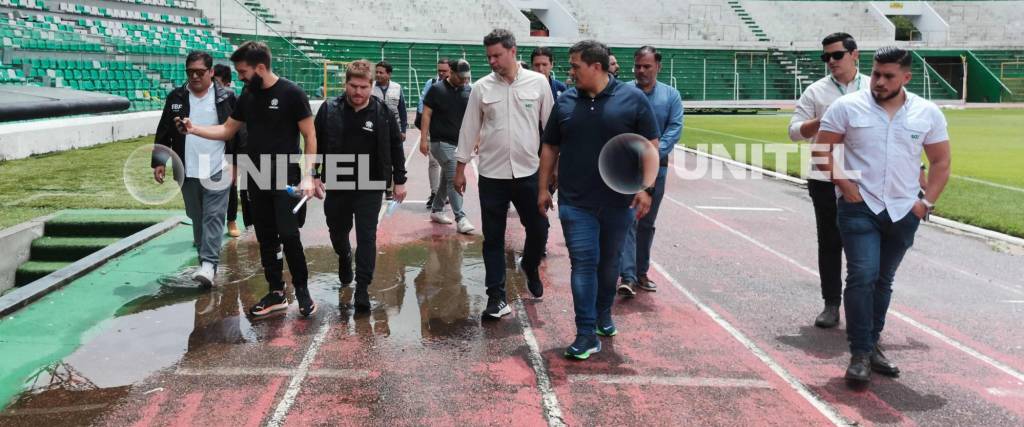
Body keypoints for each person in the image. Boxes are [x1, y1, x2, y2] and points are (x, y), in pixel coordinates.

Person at [814, 46, 951, 384]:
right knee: (862, 274)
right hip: (860, 206)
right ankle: (860, 352)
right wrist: (844, 185)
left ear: (906, 77)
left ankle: (872, 344)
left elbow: (941, 161)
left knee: (883, 280)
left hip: (904, 210)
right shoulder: (847, 107)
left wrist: (925, 204)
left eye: (889, 76)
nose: (879, 81)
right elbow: (821, 150)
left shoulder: (927, 113)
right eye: (876, 73)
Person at [177, 41, 320, 318]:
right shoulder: (248, 95)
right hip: (255, 176)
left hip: (285, 175)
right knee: (265, 236)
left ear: (261, 67)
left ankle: (302, 291)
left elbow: (310, 136)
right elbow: (227, 130)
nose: (239, 76)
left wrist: (309, 176)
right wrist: (194, 130)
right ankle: (276, 293)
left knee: (289, 235)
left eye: (243, 71)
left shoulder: (292, 93)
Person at [539, 40, 660, 360]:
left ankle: (603, 313)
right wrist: (542, 189)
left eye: (575, 66)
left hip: (618, 203)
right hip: (575, 201)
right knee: (583, 264)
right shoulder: (565, 101)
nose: (571, 72)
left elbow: (651, 144)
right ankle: (585, 332)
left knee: (609, 266)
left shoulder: (632, 99)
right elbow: (550, 147)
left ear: (596, 66)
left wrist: (645, 188)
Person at [454, 28, 553, 319]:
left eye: (497, 55)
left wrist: (553, 171)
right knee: (493, 238)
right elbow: (469, 128)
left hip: (529, 174)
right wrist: (460, 169)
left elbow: (551, 128)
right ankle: (496, 297)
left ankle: (531, 265)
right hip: (492, 176)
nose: (492, 62)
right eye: (489, 57)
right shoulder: (482, 88)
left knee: (539, 229)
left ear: (513, 51)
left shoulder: (539, 83)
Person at [788, 32, 870, 329]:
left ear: (854, 54)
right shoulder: (816, 91)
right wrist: (822, 122)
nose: (831, 62)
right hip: (824, 177)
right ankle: (831, 304)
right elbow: (794, 131)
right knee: (830, 242)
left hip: (867, 177)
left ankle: (863, 307)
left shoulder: (874, 87)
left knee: (865, 244)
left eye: (837, 55)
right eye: (826, 57)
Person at [314, 59, 408, 311]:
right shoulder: (329, 109)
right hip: (337, 180)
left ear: (371, 86)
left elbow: (396, 147)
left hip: (371, 182)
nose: (358, 92)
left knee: (367, 237)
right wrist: (313, 174)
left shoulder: (383, 113)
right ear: (346, 84)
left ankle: (363, 288)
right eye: (353, 86)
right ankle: (344, 256)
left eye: (364, 87)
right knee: (337, 231)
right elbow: (316, 145)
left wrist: (400, 180)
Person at [152, 51, 238, 287]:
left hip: (217, 166)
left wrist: (237, 164)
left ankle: (208, 265)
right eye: (190, 72)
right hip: (186, 168)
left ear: (211, 72)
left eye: (200, 72)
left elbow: (238, 133)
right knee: (197, 217)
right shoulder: (176, 97)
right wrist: (160, 161)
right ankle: (205, 261)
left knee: (213, 216)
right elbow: (165, 131)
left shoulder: (226, 97)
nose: (195, 77)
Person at [617, 46, 683, 297]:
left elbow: (674, 129)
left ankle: (641, 271)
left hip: (657, 169)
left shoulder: (671, 96)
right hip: (625, 168)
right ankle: (628, 275)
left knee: (647, 221)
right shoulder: (622, 92)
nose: (641, 70)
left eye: (647, 66)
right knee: (628, 220)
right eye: (637, 66)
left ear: (658, 66)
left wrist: (651, 154)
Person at [421, 59, 475, 234]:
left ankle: (436, 210)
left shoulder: (468, 90)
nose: (464, 81)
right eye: (461, 78)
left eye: (466, 78)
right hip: (440, 143)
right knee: (454, 177)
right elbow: (426, 114)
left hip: (458, 143)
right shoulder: (437, 90)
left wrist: (478, 138)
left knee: (446, 178)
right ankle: (461, 218)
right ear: (451, 72)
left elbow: (474, 115)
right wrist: (423, 139)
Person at [213, 63, 249, 238]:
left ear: (226, 83)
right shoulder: (196, 97)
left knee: (230, 186)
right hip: (208, 149)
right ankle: (207, 227)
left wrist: (238, 156)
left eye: (217, 81)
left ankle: (231, 220)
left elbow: (240, 127)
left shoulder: (230, 97)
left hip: (228, 149)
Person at [416, 58, 451, 209]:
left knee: (448, 162)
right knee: (433, 161)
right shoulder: (431, 83)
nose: (442, 73)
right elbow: (421, 103)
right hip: (432, 129)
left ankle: (444, 193)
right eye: (439, 70)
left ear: (451, 71)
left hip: (450, 130)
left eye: (445, 70)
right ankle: (435, 192)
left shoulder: (456, 86)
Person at [373, 60, 408, 201]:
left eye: (381, 72)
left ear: (389, 74)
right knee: (378, 158)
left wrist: (403, 129)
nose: (378, 75)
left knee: (393, 158)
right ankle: (380, 185)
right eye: (376, 72)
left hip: (394, 129)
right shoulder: (370, 87)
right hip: (375, 129)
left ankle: (388, 188)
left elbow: (402, 110)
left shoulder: (397, 88)